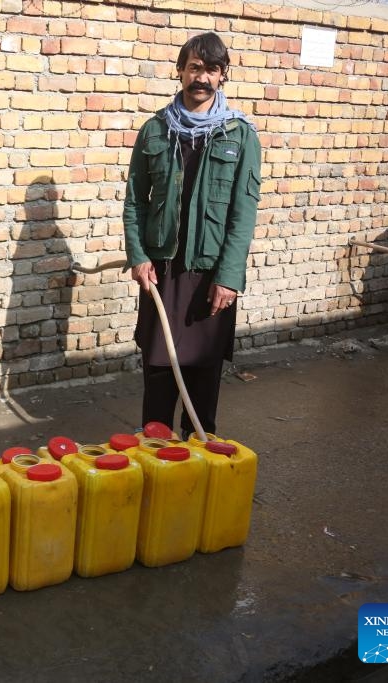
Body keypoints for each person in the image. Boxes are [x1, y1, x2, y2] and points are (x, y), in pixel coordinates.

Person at [122, 32, 262, 438]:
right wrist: (138, 255)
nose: (201, 77)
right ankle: (155, 462)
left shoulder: (240, 134)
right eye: (194, 67)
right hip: (162, 274)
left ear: (223, 76)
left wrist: (229, 277)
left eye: (211, 69)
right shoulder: (154, 131)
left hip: (210, 277)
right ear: (180, 71)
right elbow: (135, 201)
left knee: (202, 388)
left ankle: (199, 467)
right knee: (159, 384)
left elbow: (243, 214)